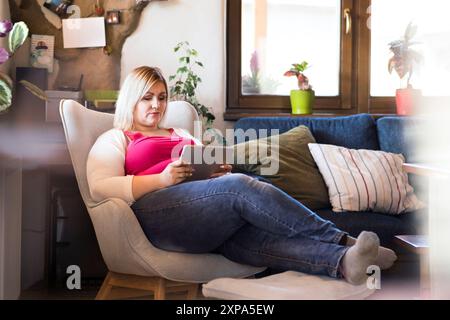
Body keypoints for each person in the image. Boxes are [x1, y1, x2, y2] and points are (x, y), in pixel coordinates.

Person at [87, 66, 397, 285]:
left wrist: (218, 168)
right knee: (239, 187)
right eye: (147, 97)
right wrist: (162, 180)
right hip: (158, 215)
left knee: (249, 237)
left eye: (162, 96)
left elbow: (205, 166)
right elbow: (100, 188)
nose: (156, 104)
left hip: (208, 216)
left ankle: (345, 261)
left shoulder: (179, 132)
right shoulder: (118, 138)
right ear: (132, 98)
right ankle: (342, 238)